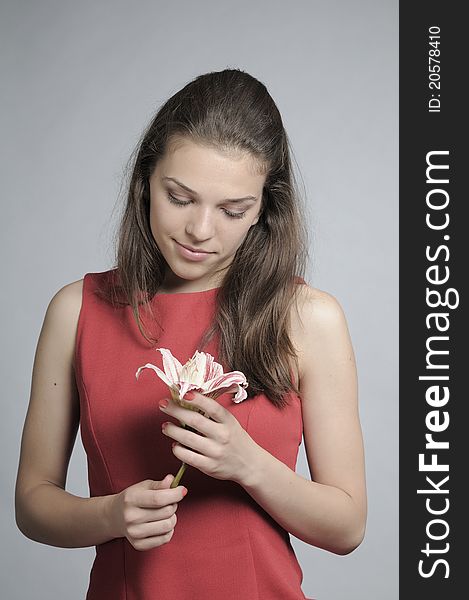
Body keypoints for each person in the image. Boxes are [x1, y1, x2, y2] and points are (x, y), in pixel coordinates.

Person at [15, 68, 367, 600]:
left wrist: (247, 464)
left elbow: (347, 528)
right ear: (146, 181)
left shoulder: (308, 318)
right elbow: (32, 503)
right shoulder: (76, 310)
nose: (201, 231)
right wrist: (110, 515)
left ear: (263, 211)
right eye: (179, 197)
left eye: (233, 210)